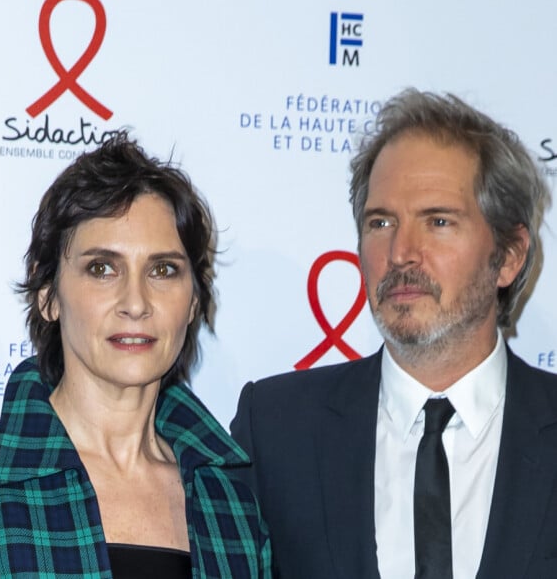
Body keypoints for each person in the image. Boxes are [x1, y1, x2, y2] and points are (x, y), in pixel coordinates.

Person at [231, 89, 557, 579]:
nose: (402, 252)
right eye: (380, 222)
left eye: (439, 221)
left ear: (509, 256)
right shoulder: (276, 431)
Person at [0, 133, 271, 578]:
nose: (135, 302)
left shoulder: (229, 502)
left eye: (163, 270)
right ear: (47, 295)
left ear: (193, 300)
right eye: (102, 268)